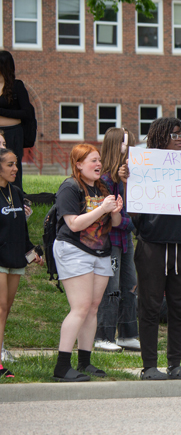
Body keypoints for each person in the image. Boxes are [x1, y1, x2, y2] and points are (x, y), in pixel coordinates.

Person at [131, 118, 181, 380]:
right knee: (148, 306)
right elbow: (134, 211)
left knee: (180, 307)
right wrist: (130, 181)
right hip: (152, 246)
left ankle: (175, 365)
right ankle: (149, 366)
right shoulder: (143, 167)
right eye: (175, 135)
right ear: (160, 137)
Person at [53, 144, 123, 382]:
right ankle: (62, 366)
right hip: (74, 249)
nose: (98, 165)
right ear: (78, 164)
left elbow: (114, 223)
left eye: (99, 160)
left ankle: (85, 361)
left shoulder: (102, 187)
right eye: (92, 161)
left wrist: (114, 211)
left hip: (101, 252)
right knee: (80, 307)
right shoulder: (70, 188)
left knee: (93, 307)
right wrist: (102, 208)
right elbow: (73, 224)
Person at [93, 128, 140, 353]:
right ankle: (103, 335)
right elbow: (115, 219)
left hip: (126, 241)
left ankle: (128, 334)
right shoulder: (104, 180)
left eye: (130, 142)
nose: (128, 146)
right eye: (124, 142)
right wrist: (133, 223)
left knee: (130, 286)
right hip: (109, 241)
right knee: (110, 289)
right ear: (113, 145)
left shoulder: (130, 177)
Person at [0, 148, 43, 377]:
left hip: (16, 259)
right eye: (9, 165)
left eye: (16, 164)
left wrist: (31, 251)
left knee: (5, 309)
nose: (15, 168)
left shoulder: (15, 192)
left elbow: (21, 228)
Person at [0, 51, 35, 191]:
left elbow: (26, 112)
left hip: (13, 132)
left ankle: (16, 196)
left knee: (12, 166)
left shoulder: (17, 86)